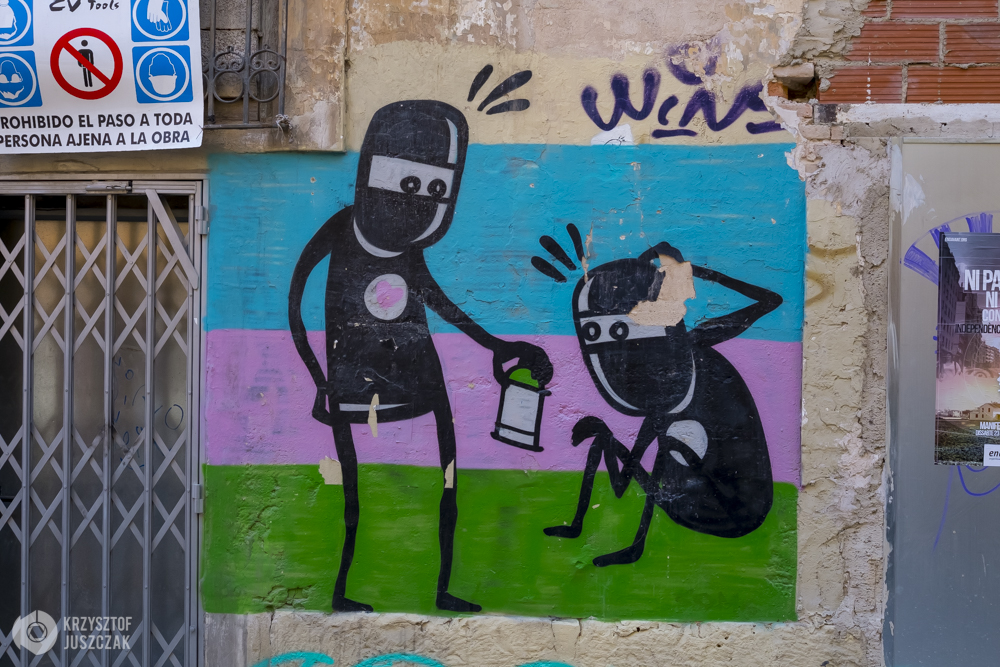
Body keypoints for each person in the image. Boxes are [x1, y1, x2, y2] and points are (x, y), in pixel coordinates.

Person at [289, 100, 552, 613]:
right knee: (357, 495)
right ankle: (346, 590)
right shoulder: (341, 229)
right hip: (353, 386)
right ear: (372, 170)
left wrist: (500, 347)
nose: (420, 200)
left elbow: (437, 300)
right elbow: (296, 304)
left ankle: (438, 588)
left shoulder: (409, 249)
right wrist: (319, 381)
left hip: (421, 381)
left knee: (444, 482)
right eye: (409, 182)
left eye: (436, 190)